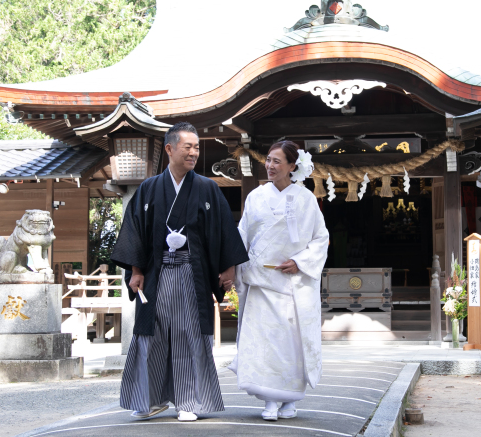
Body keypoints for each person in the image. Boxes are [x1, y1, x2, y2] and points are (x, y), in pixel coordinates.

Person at [112, 122, 249, 422]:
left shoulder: (207, 188)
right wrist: (135, 271)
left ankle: (189, 401)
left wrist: (228, 269)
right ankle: (148, 399)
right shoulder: (149, 188)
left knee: (189, 332)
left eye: (197, 147)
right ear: (170, 149)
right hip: (156, 273)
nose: (194, 152)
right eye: (188, 147)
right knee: (152, 334)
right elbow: (135, 231)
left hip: (191, 271)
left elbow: (225, 231)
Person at [229, 140, 329, 421]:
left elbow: (320, 238)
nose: (270, 166)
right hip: (261, 281)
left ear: (292, 166)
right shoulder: (256, 197)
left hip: (293, 284)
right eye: (268, 160)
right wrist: (232, 269)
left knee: (290, 346)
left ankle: (289, 400)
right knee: (264, 344)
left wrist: (300, 262)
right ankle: (270, 400)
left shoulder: (306, 198)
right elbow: (242, 236)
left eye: (277, 161)